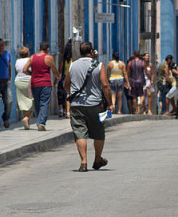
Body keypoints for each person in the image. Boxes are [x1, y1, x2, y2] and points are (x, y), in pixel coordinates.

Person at [65, 41, 112, 172]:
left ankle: (84, 162)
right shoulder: (99, 65)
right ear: (92, 52)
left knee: (80, 133)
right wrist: (110, 103)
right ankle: (97, 159)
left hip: (76, 105)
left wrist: (72, 94)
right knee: (98, 133)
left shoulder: (72, 65)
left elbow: (66, 84)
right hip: (95, 105)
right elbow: (105, 85)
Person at [24, 41, 59, 131]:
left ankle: (40, 121)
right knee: (44, 103)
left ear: (39, 48)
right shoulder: (49, 58)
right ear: (47, 49)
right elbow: (55, 71)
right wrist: (58, 78)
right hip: (46, 84)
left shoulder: (32, 57)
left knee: (37, 103)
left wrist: (32, 74)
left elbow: (24, 69)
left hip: (35, 84)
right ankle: (41, 123)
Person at [14, 46, 34, 129]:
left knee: (22, 101)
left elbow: (16, 71)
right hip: (28, 81)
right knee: (32, 101)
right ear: (28, 53)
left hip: (18, 81)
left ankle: (27, 123)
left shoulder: (17, 61)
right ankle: (27, 118)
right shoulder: (29, 60)